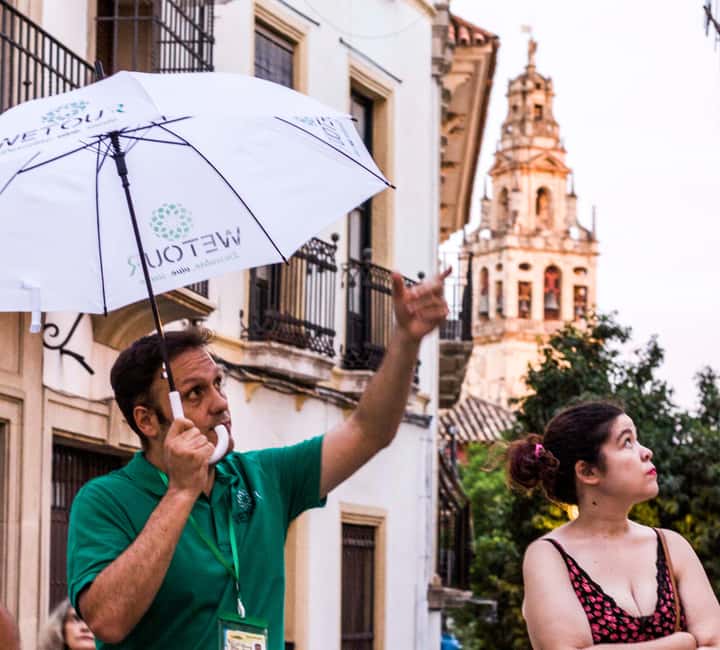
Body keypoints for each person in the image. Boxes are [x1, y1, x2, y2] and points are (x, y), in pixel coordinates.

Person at [67, 269, 450, 649]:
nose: (219, 403)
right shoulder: (104, 500)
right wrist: (181, 492)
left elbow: (370, 431)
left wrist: (406, 339)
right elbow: (107, 621)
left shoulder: (263, 477)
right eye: (195, 393)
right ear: (147, 420)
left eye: (218, 383)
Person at [507, 401, 720, 649]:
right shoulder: (548, 555)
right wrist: (681, 642)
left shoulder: (671, 546)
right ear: (587, 472)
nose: (646, 452)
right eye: (627, 442)